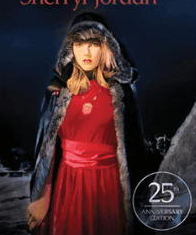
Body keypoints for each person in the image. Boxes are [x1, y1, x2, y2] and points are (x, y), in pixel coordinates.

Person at [27, 16, 148, 235]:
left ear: (107, 48)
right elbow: (46, 154)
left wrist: (139, 206)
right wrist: (42, 197)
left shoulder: (123, 94)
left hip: (110, 188)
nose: (86, 52)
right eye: (79, 44)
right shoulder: (57, 92)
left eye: (94, 44)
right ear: (70, 48)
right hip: (66, 187)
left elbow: (135, 152)